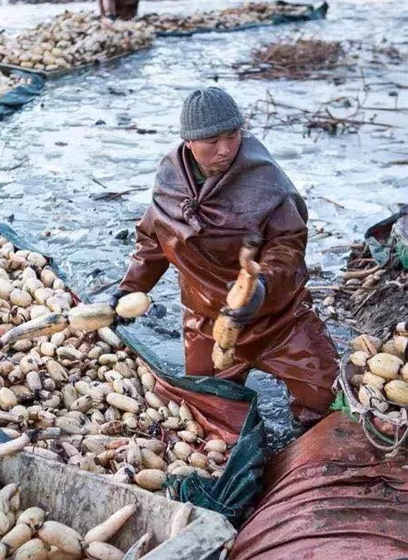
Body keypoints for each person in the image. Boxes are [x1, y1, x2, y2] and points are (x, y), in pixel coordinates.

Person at [116, 87, 338, 423]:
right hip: (208, 320)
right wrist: (130, 290)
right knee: (208, 414)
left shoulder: (264, 179)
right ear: (189, 142)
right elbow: (153, 242)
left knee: (326, 398)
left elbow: (287, 243)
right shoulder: (170, 183)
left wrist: (260, 287)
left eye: (233, 136)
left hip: (278, 318)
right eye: (212, 141)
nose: (226, 149)